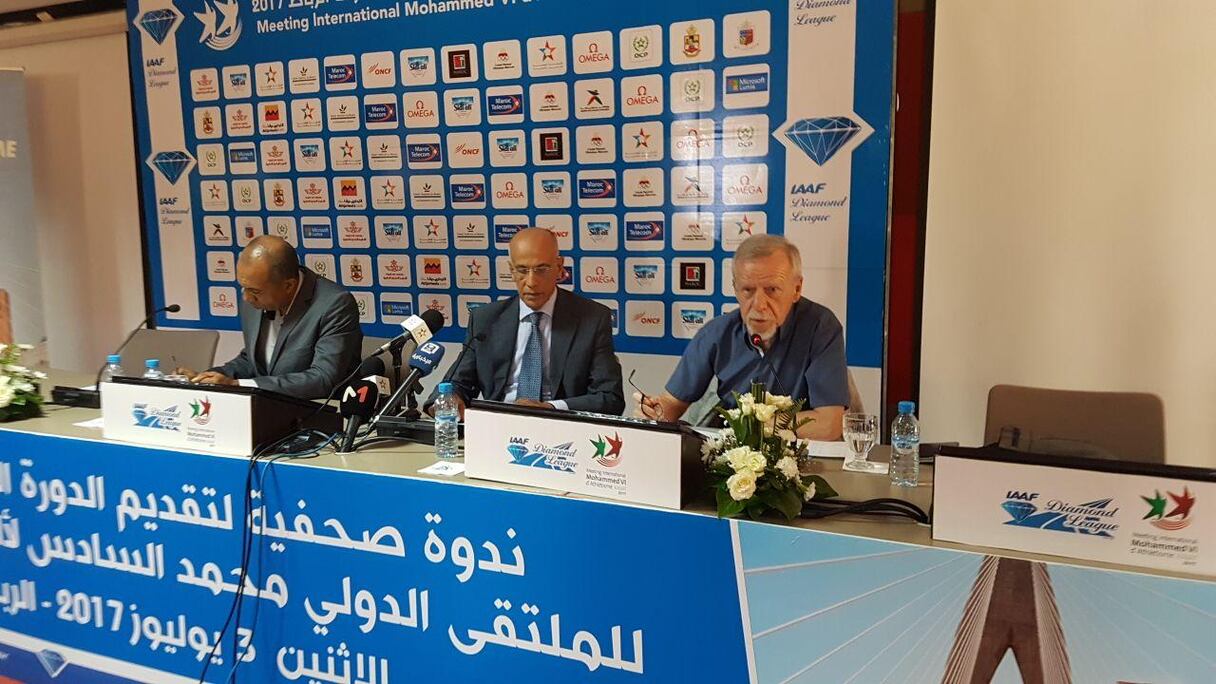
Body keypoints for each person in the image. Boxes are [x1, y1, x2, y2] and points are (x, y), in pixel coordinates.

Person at [635, 235, 849, 440]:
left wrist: (758, 426)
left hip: (798, 450)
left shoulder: (820, 327)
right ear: (735, 289)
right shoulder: (717, 333)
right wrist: (654, 412)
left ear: (796, 289)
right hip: (733, 451)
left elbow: (828, 425)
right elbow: (672, 405)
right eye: (748, 290)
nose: (759, 304)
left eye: (772, 290)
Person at [429, 227, 624, 417]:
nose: (531, 282)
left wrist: (550, 408)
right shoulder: (486, 320)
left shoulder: (592, 319)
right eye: (522, 270)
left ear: (559, 267)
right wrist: (447, 399)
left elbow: (609, 397)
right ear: (511, 270)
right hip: (499, 424)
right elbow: (456, 382)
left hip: (561, 425)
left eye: (542, 269)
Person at [177, 235, 362, 399]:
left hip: (317, 410)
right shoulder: (254, 296)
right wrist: (206, 378)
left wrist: (238, 385)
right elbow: (253, 361)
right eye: (243, 287)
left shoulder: (334, 304)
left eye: (254, 291)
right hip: (265, 407)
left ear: (288, 286)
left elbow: (323, 378)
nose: (246, 298)